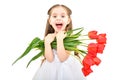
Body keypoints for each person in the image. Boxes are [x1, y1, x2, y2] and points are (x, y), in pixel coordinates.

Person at [32, 4, 86, 80]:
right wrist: (47, 43)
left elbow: (63, 58)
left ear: (68, 20)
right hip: (50, 70)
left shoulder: (69, 38)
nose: (58, 19)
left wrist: (60, 40)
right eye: (54, 16)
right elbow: (50, 59)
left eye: (63, 16)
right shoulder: (49, 37)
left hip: (67, 70)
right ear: (50, 21)